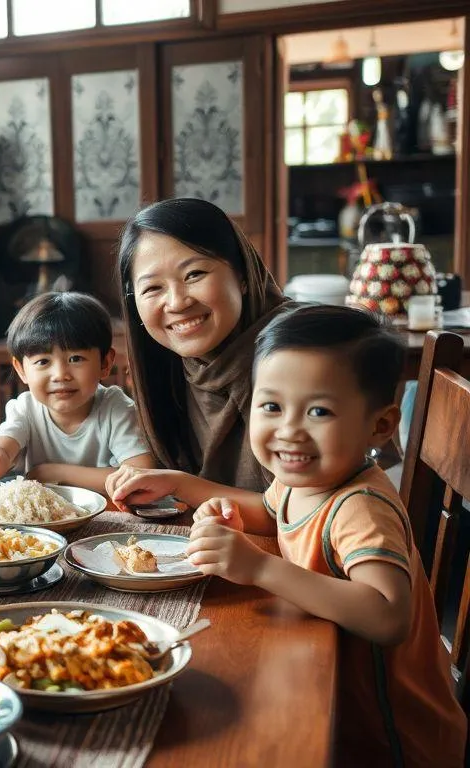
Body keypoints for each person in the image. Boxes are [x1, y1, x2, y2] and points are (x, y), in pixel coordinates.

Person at [187, 304, 464, 767]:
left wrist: (258, 566)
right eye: (272, 406)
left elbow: (388, 615)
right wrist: (223, 510)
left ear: (379, 425)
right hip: (332, 694)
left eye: (318, 410)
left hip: (394, 739)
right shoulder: (307, 481)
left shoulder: (360, 507)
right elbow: (272, 512)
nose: (290, 431)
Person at [104, 198, 290, 510]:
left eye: (194, 274)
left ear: (242, 275)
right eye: (152, 289)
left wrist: (181, 484)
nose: (176, 302)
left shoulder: (298, 356)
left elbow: (305, 512)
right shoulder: (167, 369)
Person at [0, 292, 154, 493]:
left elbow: (141, 475)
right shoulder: (25, 409)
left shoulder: (116, 408)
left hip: (109, 518)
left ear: (105, 363)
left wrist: (55, 473)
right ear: (21, 370)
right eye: (43, 362)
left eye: (76, 358)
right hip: (40, 521)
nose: (60, 375)